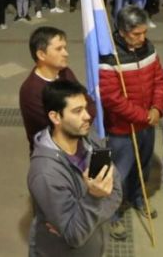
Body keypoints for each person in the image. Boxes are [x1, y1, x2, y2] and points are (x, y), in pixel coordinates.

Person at [27, 80, 122, 257]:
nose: (87, 116)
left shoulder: (89, 138)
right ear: (55, 117)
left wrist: (84, 220)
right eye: (77, 111)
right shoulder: (45, 173)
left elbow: (116, 191)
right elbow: (76, 236)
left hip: (95, 247)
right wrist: (95, 197)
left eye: (85, 108)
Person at [98, 6, 163, 239]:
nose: (142, 38)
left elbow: (159, 79)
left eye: (144, 32)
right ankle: (113, 214)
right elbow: (111, 98)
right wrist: (143, 116)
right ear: (122, 31)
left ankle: (138, 198)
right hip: (121, 130)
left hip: (147, 123)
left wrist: (157, 108)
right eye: (136, 34)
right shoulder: (109, 56)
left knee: (143, 166)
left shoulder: (148, 48)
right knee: (119, 174)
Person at [19, 27, 93, 151]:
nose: (66, 53)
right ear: (41, 54)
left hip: (76, 146)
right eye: (59, 49)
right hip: (53, 154)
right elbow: (55, 129)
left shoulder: (65, 73)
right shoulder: (31, 91)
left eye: (65, 48)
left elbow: (88, 102)